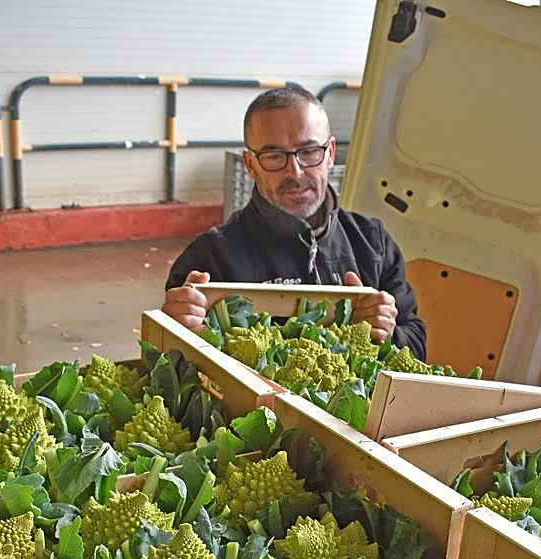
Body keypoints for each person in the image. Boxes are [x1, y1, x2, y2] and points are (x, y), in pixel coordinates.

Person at [162, 87, 427, 359]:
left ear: (331, 153)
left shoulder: (373, 243)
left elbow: (418, 347)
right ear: (251, 165)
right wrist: (177, 333)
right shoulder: (209, 258)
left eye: (310, 151)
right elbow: (171, 366)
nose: (295, 172)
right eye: (274, 156)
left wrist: (388, 333)